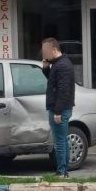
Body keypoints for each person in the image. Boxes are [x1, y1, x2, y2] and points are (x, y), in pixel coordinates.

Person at [41, 37, 75, 177]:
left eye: (45, 51)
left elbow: (63, 91)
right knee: (63, 140)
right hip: (59, 108)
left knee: (59, 142)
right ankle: (64, 170)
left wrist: (58, 112)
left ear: (54, 49)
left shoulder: (62, 66)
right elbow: (54, 82)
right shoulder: (58, 63)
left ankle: (62, 172)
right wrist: (46, 68)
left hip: (59, 109)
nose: (44, 54)